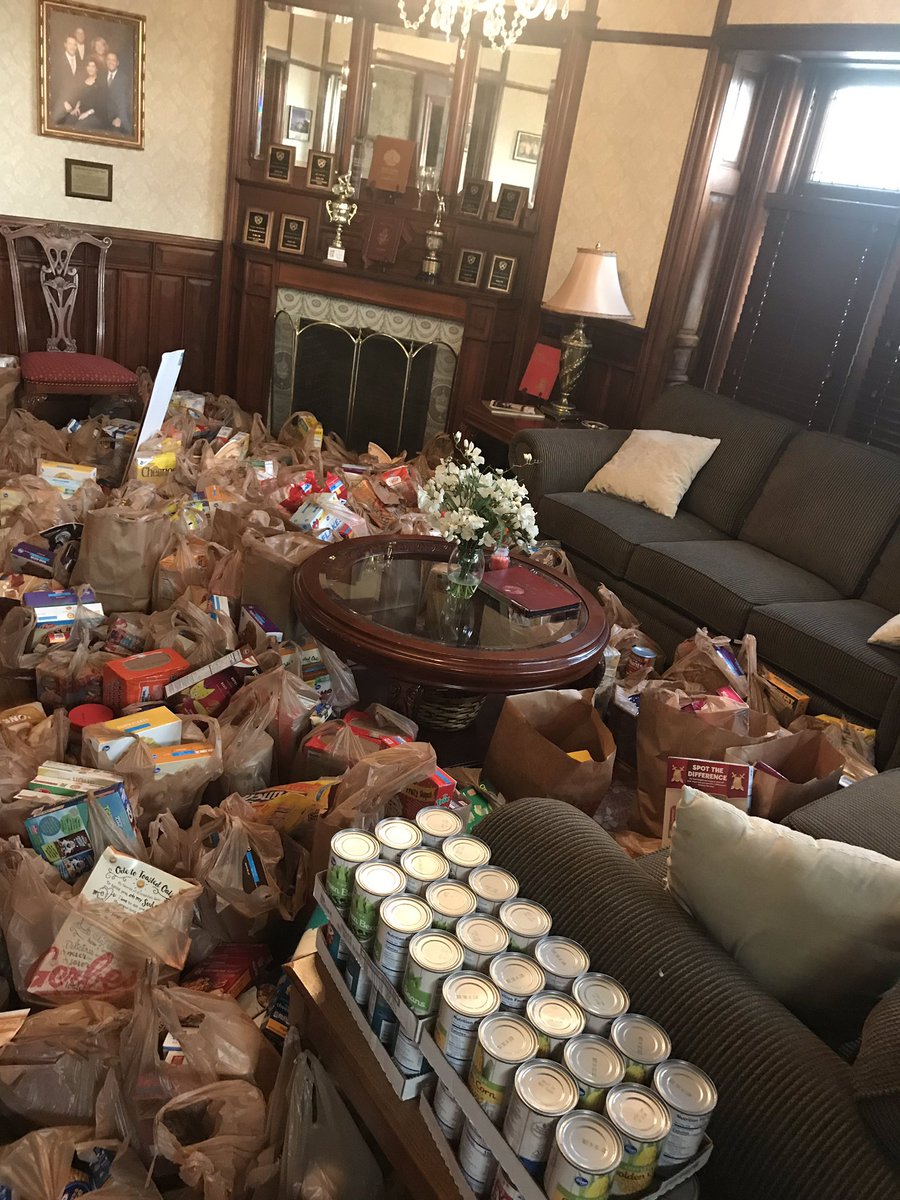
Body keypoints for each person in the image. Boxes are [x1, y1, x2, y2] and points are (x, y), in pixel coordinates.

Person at [53, 34, 82, 124]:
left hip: (76, 106)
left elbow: (81, 86)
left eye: (75, 44)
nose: (72, 47)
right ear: (65, 44)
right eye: (70, 44)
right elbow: (54, 85)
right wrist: (64, 103)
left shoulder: (81, 62)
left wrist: (78, 105)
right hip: (61, 105)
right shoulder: (57, 61)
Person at [68, 60, 104, 129]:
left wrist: (87, 114)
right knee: (69, 120)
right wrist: (76, 108)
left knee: (80, 126)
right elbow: (80, 98)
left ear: (97, 69)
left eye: (93, 66)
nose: (90, 68)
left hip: (95, 114)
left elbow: (100, 104)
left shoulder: (100, 82)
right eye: (88, 66)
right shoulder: (83, 80)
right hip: (82, 111)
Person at [103, 50, 131, 135]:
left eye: (113, 60)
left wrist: (119, 118)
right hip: (103, 117)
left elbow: (125, 101)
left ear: (117, 63)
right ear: (106, 61)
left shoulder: (124, 79)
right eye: (108, 59)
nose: (111, 62)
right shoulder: (101, 76)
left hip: (118, 118)